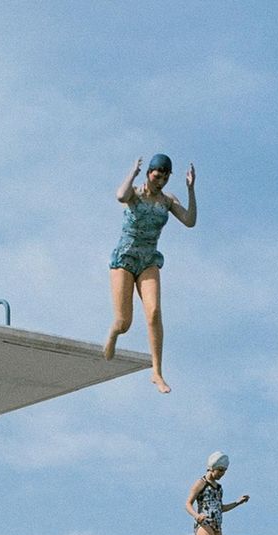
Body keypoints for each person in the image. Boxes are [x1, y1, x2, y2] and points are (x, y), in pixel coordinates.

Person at [103, 154, 197, 394]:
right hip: (125, 257)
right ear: (149, 174)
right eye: (157, 176)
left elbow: (189, 221)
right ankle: (114, 333)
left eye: (165, 178)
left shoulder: (167, 201)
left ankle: (156, 371)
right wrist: (133, 173)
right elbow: (120, 196)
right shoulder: (135, 193)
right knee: (124, 322)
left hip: (148, 259)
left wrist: (191, 190)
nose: (161, 181)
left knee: (154, 312)